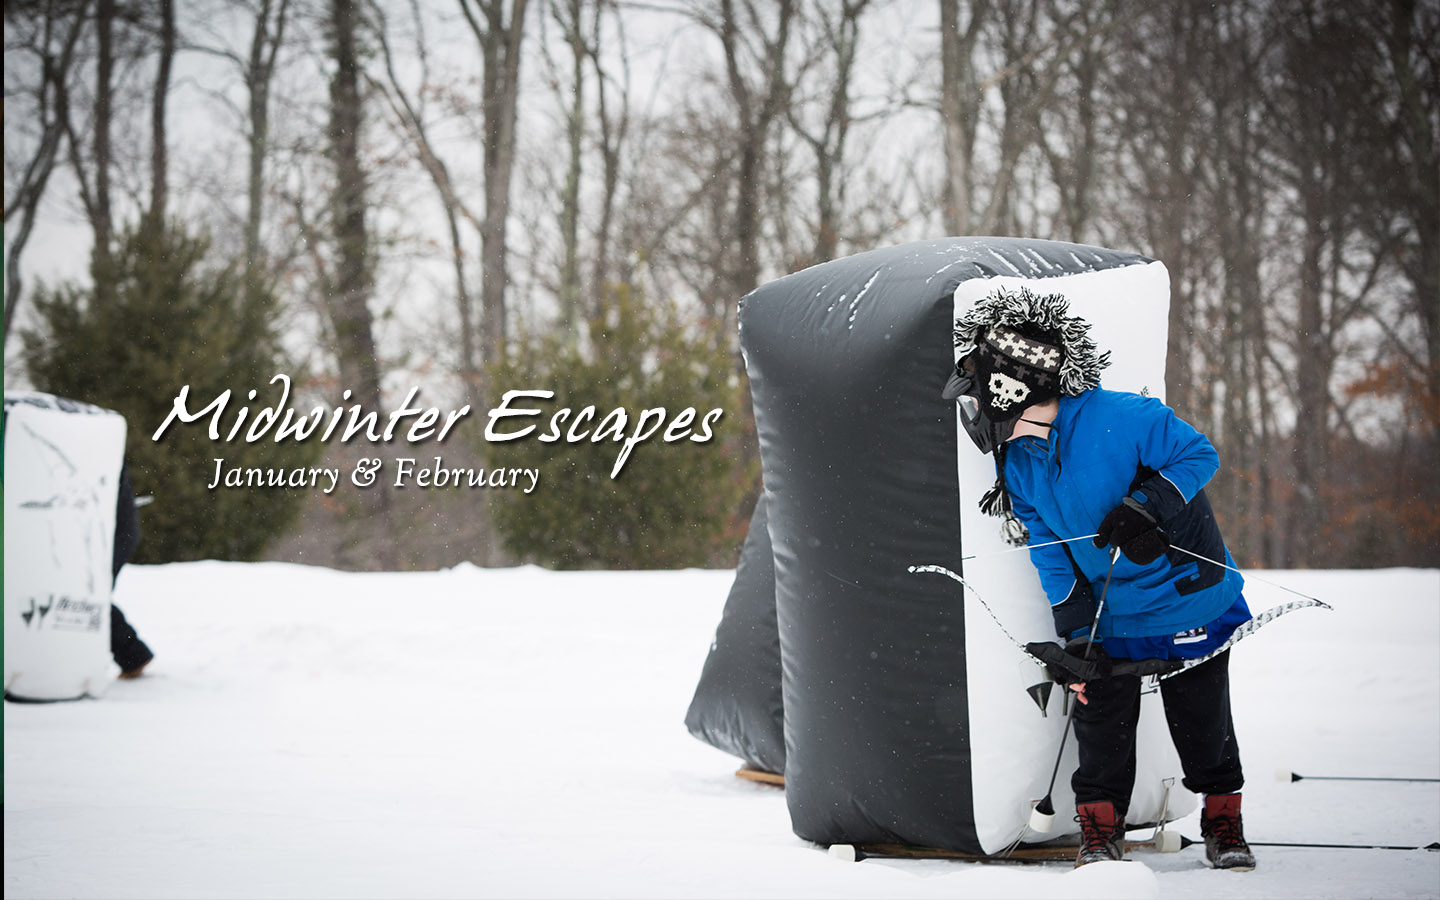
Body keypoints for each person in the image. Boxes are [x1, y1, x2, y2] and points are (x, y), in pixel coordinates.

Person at [942, 286, 1256, 871]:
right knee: (1099, 717)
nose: (974, 417)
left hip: (1188, 598)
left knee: (1202, 718)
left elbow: (1199, 455)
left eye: (978, 401)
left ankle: (1224, 820)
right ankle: (1099, 831)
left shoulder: (1124, 417)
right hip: (1112, 615)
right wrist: (1076, 633)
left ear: (1013, 395)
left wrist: (1147, 505)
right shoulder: (1017, 464)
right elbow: (1051, 555)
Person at [111, 461, 154, 679]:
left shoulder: (94, 446)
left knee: (90, 597)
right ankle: (133, 655)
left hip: (113, 532)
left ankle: (133, 656)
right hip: (110, 530)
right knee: (90, 597)